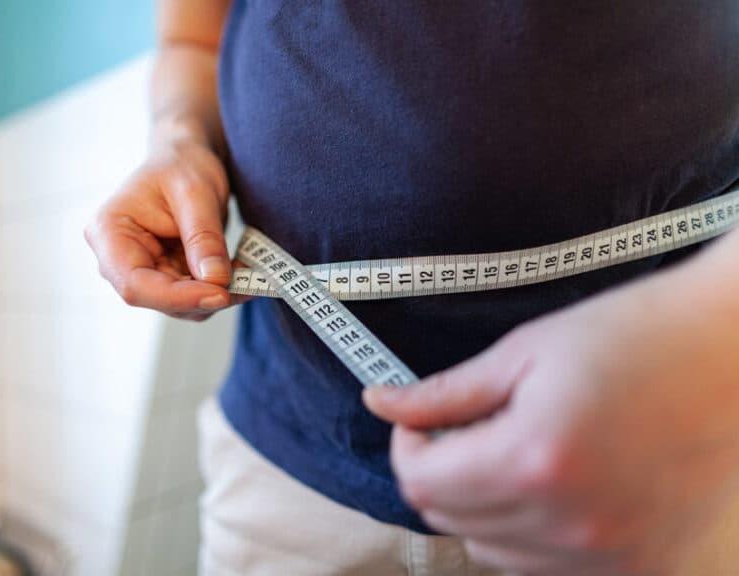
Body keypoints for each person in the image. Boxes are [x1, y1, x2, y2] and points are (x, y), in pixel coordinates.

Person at [84, 1, 739, 574]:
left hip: (657, 458)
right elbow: (192, 38)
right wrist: (177, 137)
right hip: (289, 465)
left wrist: (717, 349)